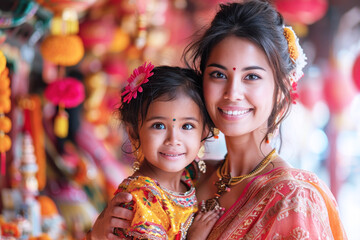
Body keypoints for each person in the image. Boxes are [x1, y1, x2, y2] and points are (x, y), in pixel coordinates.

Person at [90, 0, 348, 239]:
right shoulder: (187, 176)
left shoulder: (292, 199)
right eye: (218, 75)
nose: (232, 93)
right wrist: (100, 233)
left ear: (280, 89)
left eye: (252, 77)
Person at [87, 63, 222, 240]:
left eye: (187, 126)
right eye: (158, 126)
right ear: (134, 132)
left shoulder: (189, 174)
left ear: (203, 133)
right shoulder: (140, 200)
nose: (173, 139)